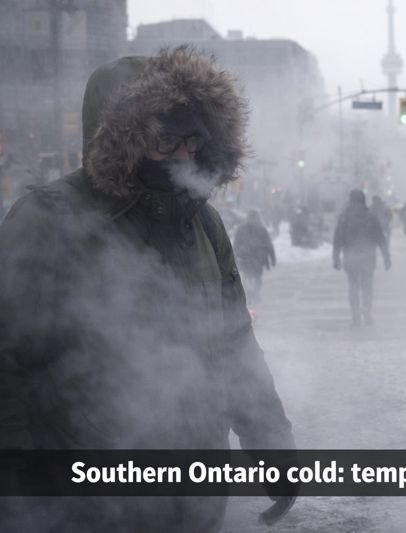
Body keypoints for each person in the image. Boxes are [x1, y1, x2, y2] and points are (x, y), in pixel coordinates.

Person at [0, 48, 296, 532]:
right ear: (120, 139)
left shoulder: (203, 223)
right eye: (165, 140)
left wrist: (273, 447)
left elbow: (234, 345)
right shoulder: (51, 219)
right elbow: (7, 366)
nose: (182, 156)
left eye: (193, 141)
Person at [333, 189, 390, 326]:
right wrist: (386, 257)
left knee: (353, 286)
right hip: (368, 257)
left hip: (350, 257)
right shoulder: (371, 216)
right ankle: (367, 313)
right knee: (367, 286)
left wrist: (336, 257)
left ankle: (356, 316)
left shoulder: (344, 217)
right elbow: (380, 238)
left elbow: (338, 238)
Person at [234, 209, 276, 304]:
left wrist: (234, 256)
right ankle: (255, 293)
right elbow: (268, 245)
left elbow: (236, 244)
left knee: (247, 276)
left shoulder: (241, 229)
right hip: (258, 258)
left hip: (245, 258)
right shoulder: (261, 229)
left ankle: (249, 292)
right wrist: (272, 259)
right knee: (257, 277)